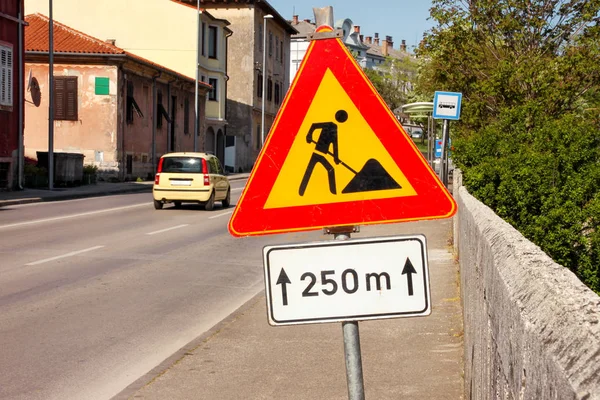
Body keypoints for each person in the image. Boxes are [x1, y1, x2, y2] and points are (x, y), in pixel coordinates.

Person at [299, 110, 348, 196]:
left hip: (321, 154)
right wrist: (309, 135)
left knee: (327, 170)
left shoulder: (334, 127)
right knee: (311, 171)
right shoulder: (329, 125)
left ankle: (333, 195)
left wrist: (335, 157)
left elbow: (334, 145)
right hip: (317, 152)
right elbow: (314, 126)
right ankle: (300, 192)